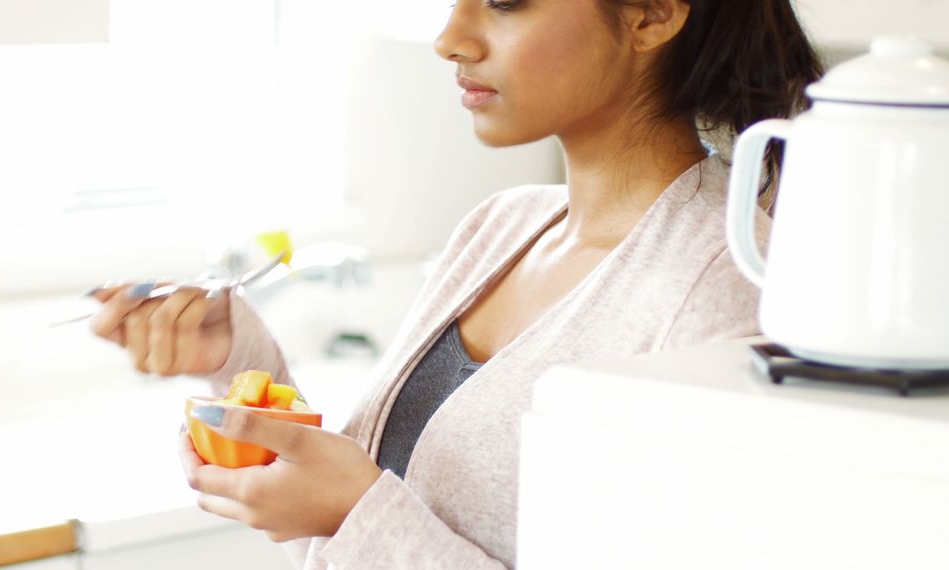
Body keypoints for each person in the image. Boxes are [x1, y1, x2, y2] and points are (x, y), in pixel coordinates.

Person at [90, 0, 822, 567]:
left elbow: (366, 522)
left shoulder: (726, 292)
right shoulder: (499, 228)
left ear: (652, 14)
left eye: (504, 1)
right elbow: (353, 539)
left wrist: (357, 514)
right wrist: (240, 365)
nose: (451, 37)